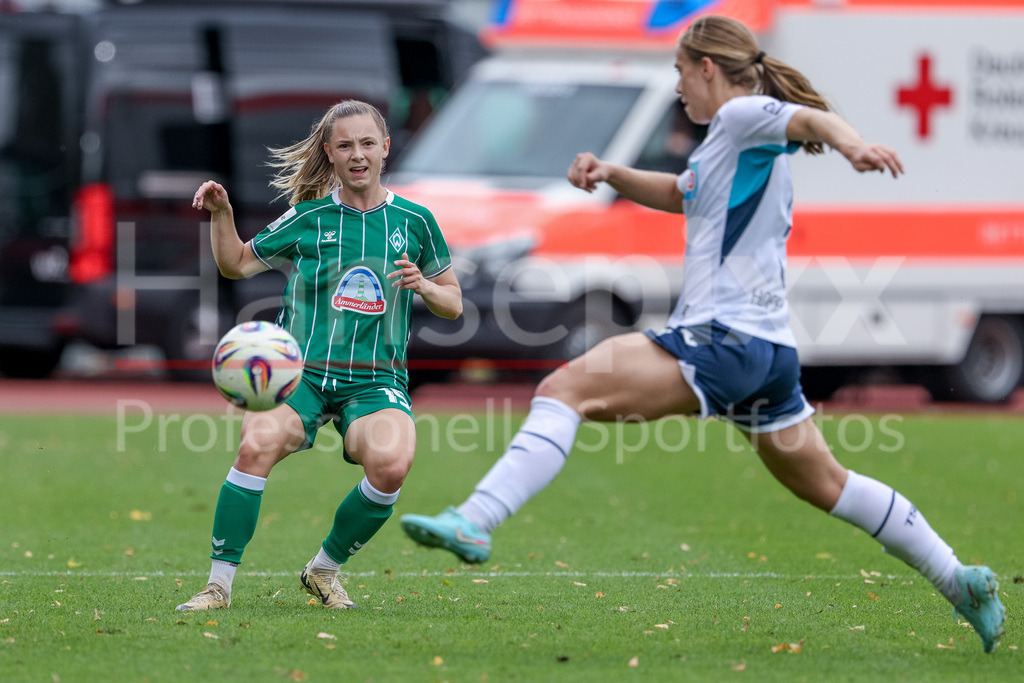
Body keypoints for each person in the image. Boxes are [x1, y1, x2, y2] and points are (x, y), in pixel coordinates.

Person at [399, 16, 1006, 652]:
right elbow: (680, 192)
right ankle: (958, 579)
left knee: (564, 390)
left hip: (722, 339)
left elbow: (809, 121)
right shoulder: (725, 142)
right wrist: (612, 173)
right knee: (828, 483)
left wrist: (853, 146)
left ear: (707, 68)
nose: (678, 87)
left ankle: (476, 518)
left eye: (681, 72)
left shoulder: (742, 116)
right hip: (767, 353)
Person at [176, 100, 462, 612]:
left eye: (368, 143)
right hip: (301, 376)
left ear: (385, 148)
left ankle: (324, 569)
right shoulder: (308, 218)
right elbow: (235, 264)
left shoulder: (416, 220)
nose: (358, 155)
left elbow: (454, 303)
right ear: (329, 152)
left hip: (375, 379)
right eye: (346, 145)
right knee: (256, 445)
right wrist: (222, 214)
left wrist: (424, 286)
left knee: (392, 464)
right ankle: (217, 586)